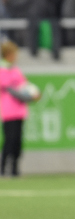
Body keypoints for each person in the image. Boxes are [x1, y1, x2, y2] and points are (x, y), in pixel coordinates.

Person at [0, 40, 39, 177]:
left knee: (18, 141)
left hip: (19, 112)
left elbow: (25, 86)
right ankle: (3, 167)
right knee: (9, 140)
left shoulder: (16, 70)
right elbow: (12, 90)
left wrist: (34, 94)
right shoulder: (2, 71)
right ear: (7, 54)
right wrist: (28, 97)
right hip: (8, 112)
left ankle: (15, 169)